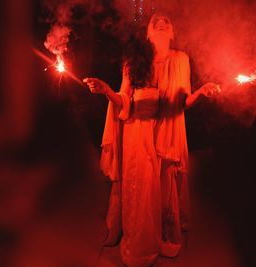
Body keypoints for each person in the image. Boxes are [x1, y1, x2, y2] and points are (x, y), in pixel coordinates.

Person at [84, 13, 219, 267]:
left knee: (164, 186)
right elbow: (124, 101)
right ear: (147, 33)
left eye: (167, 20)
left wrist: (202, 91)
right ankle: (140, 245)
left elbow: (183, 102)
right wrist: (107, 91)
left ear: (172, 32)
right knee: (142, 191)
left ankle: (163, 238)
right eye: (155, 20)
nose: (161, 21)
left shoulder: (181, 60)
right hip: (138, 133)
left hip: (167, 131)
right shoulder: (132, 61)